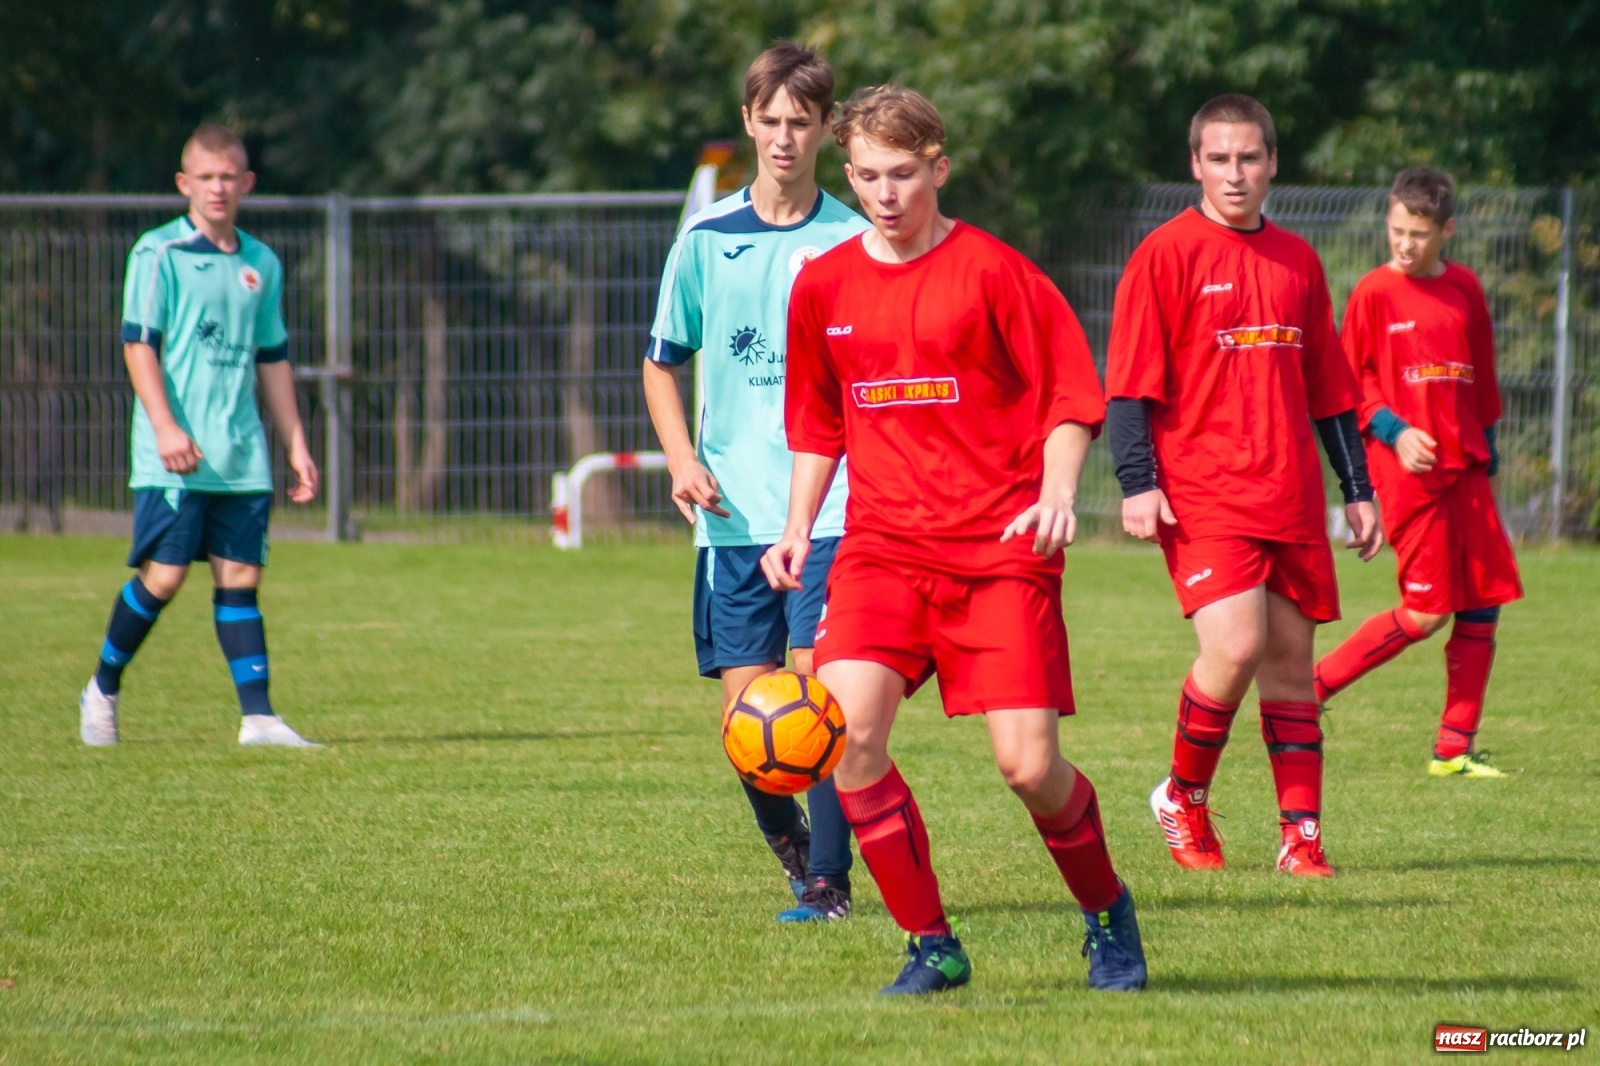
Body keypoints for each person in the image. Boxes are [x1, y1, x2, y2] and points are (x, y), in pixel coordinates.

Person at [765, 84, 1147, 996]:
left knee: (1029, 767)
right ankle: (931, 944)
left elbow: (1068, 398)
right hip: (881, 551)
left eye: (903, 174)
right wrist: (792, 531)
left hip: (999, 552)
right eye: (865, 177)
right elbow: (820, 424)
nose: (884, 194)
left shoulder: (996, 273)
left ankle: (1106, 913)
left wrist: (1057, 495)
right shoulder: (823, 285)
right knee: (846, 739)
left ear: (939, 167)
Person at [1105, 94, 1382, 877]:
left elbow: (1329, 389)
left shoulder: (1299, 260)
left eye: (1249, 158)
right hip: (1204, 492)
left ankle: (1301, 837)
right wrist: (1136, 482)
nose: (1235, 174)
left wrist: (1356, 487)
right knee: (1237, 645)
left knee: (1293, 662)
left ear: (1272, 165)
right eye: (1220, 159)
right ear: (1196, 164)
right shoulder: (1165, 253)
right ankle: (1182, 797)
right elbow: (1127, 387)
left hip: (1290, 493)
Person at [641, 43, 868, 922]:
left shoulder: (852, 240)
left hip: (834, 513)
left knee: (821, 707)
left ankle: (830, 881)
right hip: (732, 518)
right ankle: (799, 860)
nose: (784, 137)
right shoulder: (704, 241)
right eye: (769, 120)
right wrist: (680, 458)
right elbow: (662, 365)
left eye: (800, 122)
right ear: (748, 122)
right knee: (748, 729)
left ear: (823, 129)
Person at [78, 124, 321, 748]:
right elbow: (138, 346)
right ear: (185, 183)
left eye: (228, 177)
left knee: (241, 577)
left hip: (241, 455)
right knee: (164, 578)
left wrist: (295, 442)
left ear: (247, 184)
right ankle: (102, 688)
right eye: (206, 177)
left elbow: (272, 358)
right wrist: (164, 427)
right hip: (175, 457)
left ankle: (259, 718)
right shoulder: (159, 254)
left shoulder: (260, 263)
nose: (218, 188)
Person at [1312, 168, 1522, 777]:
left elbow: (1483, 383)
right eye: (1397, 230)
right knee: (1428, 612)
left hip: (1468, 468)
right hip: (1408, 473)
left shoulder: (1467, 289)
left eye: (1419, 233)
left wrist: (1489, 456)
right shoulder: (1375, 292)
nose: (1404, 244)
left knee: (1483, 604)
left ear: (1446, 231)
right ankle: (1312, 687)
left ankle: (1454, 749)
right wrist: (1395, 432)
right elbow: (1351, 386)